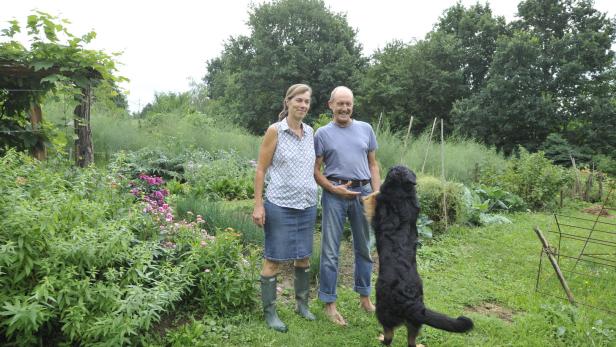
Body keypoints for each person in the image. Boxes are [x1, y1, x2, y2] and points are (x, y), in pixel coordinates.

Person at [252, 84, 318, 333]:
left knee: (303, 256)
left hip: (307, 205)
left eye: (307, 101)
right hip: (280, 204)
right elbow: (261, 169)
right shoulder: (275, 131)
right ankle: (270, 313)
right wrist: (258, 205)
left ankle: (302, 306)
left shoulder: (311, 132)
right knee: (274, 259)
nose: (303, 105)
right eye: (298, 100)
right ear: (288, 102)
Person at [314, 86, 381, 326]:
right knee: (330, 251)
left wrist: (377, 191)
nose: (344, 108)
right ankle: (330, 304)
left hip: (362, 193)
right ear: (330, 105)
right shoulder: (322, 133)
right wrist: (332, 189)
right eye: (339, 103)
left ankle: (365, 298)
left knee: (364, 248)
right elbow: (316, 170)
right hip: (334, 194)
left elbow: (373, 164)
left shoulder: (366, 129)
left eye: (348, 104)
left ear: (353, 105)